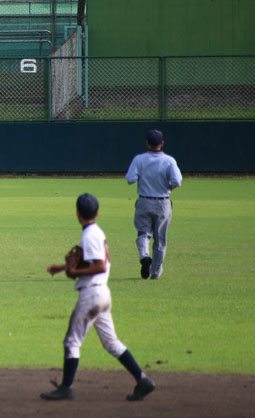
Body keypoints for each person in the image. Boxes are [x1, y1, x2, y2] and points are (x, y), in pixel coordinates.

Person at [40, 193, 155, 402]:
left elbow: (100, 265)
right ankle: (142, 380)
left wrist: (74, 273)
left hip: (91, 294)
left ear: (77, 213)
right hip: (103, 294)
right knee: (112, 343)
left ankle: (66, 388)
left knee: (72, 342)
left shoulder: (89, 235)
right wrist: (62, 268)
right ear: (97, 213)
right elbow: (90, 260)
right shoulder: (96, 232)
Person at [125, 129, 182, 280]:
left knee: (143, 233)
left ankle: (144, 255)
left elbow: (130, 179)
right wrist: (168, 187)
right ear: (162, 143)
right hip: (163, 202)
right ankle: (155, 272)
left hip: (144, 200)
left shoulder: (139, 159)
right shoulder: (169, 160)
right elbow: (177, 181)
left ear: (147, 143)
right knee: (160, 239)